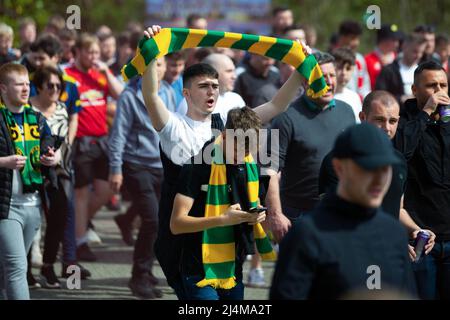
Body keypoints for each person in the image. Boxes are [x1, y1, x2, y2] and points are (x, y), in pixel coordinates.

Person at [142, 24, 308, 296]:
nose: (211, 92)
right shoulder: (173, 127)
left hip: (228, 244)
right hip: (186, 243)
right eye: (203, 86)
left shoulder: (228, 126)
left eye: (215, 87)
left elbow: (277, 105)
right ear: (186, 93)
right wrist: (151, 51)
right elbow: (150, 95)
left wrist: (301, 66)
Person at [270, 123, 417, 299]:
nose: (379, 179)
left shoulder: (394, 234)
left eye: (385, 168)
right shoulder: (308, 235)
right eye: (368, 168)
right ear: (339, 168)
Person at [170, 107, 274, 300]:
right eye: (236, 149)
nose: (241, 157)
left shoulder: (249, 166)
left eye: (247, 151)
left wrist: (259, 215)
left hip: (234, 268)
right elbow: (176, 224)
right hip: (198, 270)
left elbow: (256, 203)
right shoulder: (197, 167)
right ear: (225, 136)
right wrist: (221, 219)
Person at [319, 90, 435, 261]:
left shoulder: (399, 162)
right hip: (348, 258)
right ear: (363, 117)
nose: (386, 128)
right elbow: (334, 217)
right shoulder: (338, 162)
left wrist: (415, 229)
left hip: (389, 260)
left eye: (393, 121)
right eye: (379, 120)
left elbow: (397, 209)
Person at [108, 57, 175, 299]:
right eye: (151, 64)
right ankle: (138, 276)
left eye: (160, 64)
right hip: (136, 165)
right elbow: (119, 135)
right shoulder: (129, 96)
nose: (156, 69)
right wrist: (115, 169)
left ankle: (146, 273)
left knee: (160, 221)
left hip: (163, 165)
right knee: (152, 221)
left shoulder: (168, 92)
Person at [267, 51, 355, 231]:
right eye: (322, 77)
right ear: (306, 81)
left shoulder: (347, 111)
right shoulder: (286, 118)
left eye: (332, 75)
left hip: (340, 213)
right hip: (299, 217)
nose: (330, 82)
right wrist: (275, 214)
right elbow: (269, 170)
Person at [0, 63, 58, 299]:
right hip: (6, 206)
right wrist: (4, 162)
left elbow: (51, 145)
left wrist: (51, 158)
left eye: (27, 83)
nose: (26, 89)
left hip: (33, 204)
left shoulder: (37, 118)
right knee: (17, 268)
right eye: (19, 84)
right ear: (3, 88)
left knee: (8, 268)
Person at [64, 33, 123, 262]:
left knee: (109, 189)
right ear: (76, 52)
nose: (94, 57)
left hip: (102, 141)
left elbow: (121, 95)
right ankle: (80, 243)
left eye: (97, 53)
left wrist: (107, 72)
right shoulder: (67, 74)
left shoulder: (101, 74)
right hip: (80, 141)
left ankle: (71, 228)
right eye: (90, 52)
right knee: (81, 193)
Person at [393, 61, 450, 300]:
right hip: (420, 239)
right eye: (431, 85)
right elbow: (400, 153)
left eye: (443, 85)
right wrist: (426, 113)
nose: (439, 91)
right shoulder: (403, 121)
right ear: (415, 90)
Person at [376, 34, 427, 105]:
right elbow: (379, 96)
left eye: (421, 52)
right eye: (415, 51)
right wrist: (400, 98)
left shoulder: (424, 72)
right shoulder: (388, 71)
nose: (418, 55)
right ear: (404, 47)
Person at [365, 24, 402, 90]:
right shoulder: (368, 60)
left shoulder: (399, 59)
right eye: (393, 40)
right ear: (383, 41)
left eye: (397, 40)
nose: (397, 43)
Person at [331, 47, 362, 122]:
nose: (343, 73)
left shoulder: (354, 97)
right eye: (339, 68)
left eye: (348, 69)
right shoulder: (324, 96)